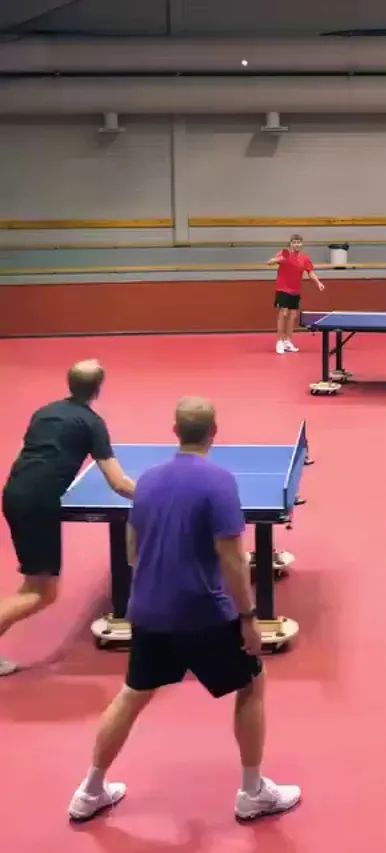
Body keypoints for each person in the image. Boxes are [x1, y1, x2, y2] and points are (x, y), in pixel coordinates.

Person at [68, 396, 301, 824]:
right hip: (203, 612)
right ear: (215, 433)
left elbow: (134, 552)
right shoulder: (220, 483)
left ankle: (90, 790)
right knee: (252, 684)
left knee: (133, 694)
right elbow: (232, 557)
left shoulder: (148, 481)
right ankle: (252, 792)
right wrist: (248, 619)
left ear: (174, 432)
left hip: (148, 609)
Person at [0, 359, 135, 677]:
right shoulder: (91, 423)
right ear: (98, 389)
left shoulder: (44, 412)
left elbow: (28, 454)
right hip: (38, 504)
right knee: (42, 594)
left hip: (14, 493)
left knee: (31, 586)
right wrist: (159, 497)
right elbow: (118, 482)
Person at [267, 234, 325, 354]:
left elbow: (310, 272)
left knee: (292, 316)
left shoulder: (304, 258)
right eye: (294, 242)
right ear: (291, 244)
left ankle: (288, 341)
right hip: (282, 289)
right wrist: (279, 259)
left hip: (295, 290)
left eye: (299, 242)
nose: (297, 244)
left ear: (301, 244)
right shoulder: (284, 254)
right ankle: (279, 341)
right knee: (283, 314)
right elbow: (269, 262)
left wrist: (318, 282)